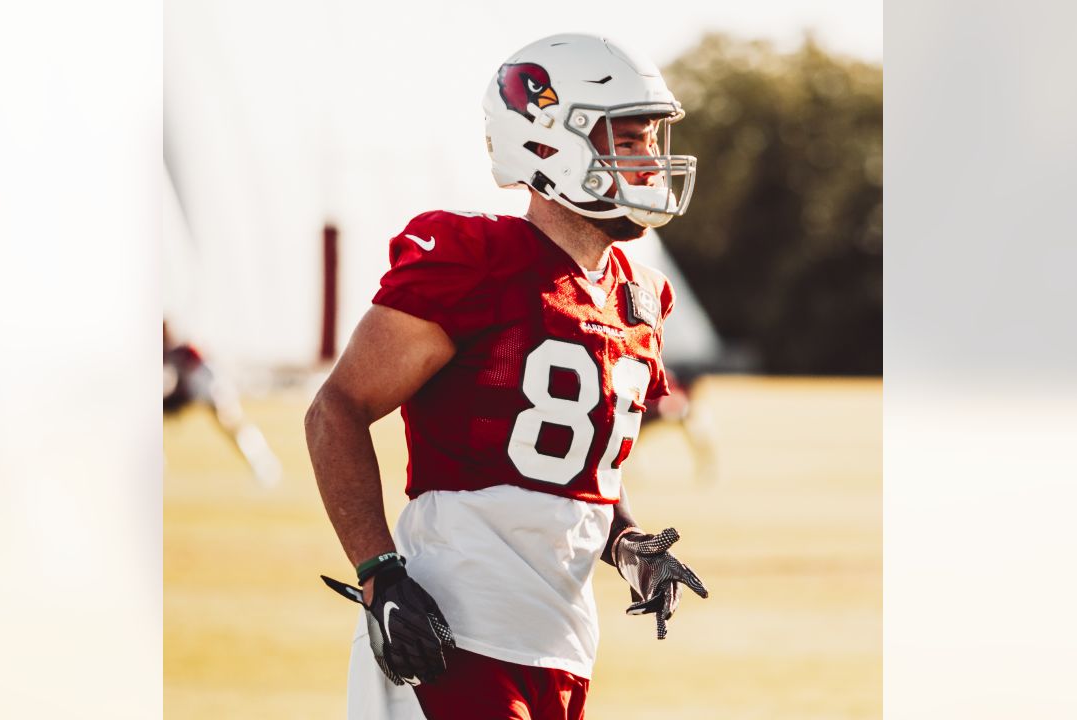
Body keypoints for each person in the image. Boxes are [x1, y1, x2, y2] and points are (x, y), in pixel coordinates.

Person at [305, 33, 708, 719]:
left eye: (649, 139)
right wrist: (378, 573)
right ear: (548, 144)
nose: (649, 161)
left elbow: (575, 472)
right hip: (451, 627)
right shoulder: (474, 258)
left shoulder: (639, 296)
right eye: (628, 139)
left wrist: (627, 542)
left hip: (561, 637)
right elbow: (335, 409)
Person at [164, 321, 281, 487]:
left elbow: (202, 376)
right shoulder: (166, 354)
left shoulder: (186, 351)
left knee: (232, 426)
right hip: (186, 392)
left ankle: (262, 463)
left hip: (210, 390)